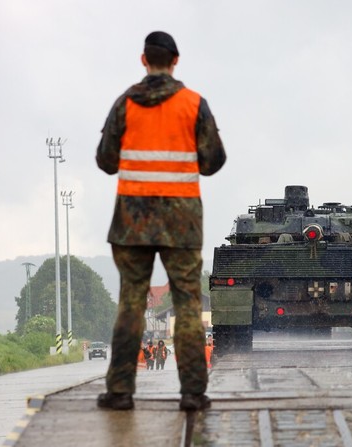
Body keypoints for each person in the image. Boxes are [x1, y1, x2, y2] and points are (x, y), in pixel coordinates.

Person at [95, 30, 226, 412]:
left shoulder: (125, 104)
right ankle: (191, 392)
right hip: (181, 221)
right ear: (175, 61)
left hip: (131, 222)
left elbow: (105, 161)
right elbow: (213, 161)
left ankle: (120, 391)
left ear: (143, 60)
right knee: (187, 304)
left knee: (131, 303)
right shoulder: (193, 105)